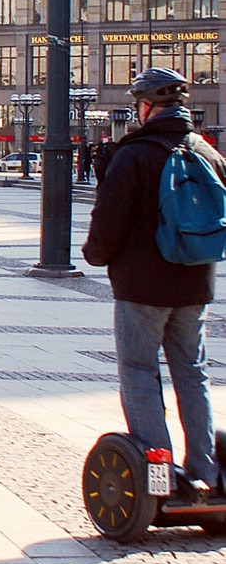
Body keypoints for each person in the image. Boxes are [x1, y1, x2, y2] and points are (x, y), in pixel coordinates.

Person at [84, 67, 226, 501]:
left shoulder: (135, 154)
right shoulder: (208, 152)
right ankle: (205, 470)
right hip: (194, 284)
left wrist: (96, 254)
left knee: (140, 372)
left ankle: (158, 469)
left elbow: (108, 221)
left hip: (141, 288)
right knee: (193, 373)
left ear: (145, 107)